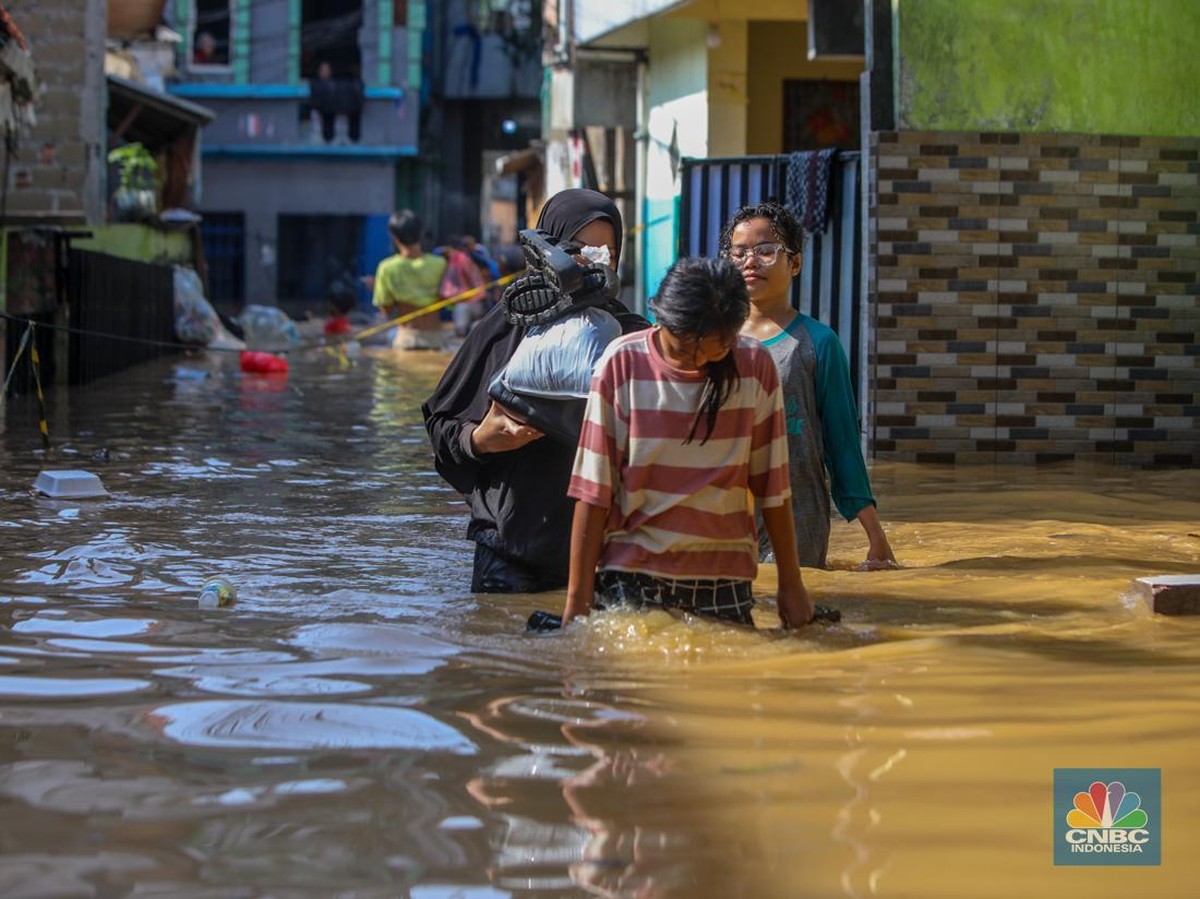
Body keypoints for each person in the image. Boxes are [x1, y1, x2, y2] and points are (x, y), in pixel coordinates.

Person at [561, 256, 813, 629]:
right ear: (661, 319)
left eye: (715, 351)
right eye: (683, 349)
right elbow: (593, 491)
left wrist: (791, 585)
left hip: (724, 578)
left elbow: (772, 487)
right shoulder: (622, 363)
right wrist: (576, 604)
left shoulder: (756, 366)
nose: (697, 363)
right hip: (633, 573)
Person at [422, 189, 649, 593]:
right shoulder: (505, 328)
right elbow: (442, 421)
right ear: (546, 249)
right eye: (578, 249)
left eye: (605, 253)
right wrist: (480, 440)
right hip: (510, 545)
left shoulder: (631, 335)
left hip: (603, 552)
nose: (591, 262)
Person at [721, 202, 898, 571]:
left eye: (766, 251)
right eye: (738, 254)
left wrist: (876, 537)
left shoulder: (818, 343)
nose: (750, 262)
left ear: (795, 264)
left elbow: (842, 443)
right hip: (722, 519)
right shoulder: (711, 341)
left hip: (798, 518)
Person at [372, 209, 449, 350]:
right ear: (420, 234)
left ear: (394, 237)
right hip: (435, 338)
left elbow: (386, 310)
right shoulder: (440, 263)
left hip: (407, 337)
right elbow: (448, 300)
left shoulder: (386, 268)